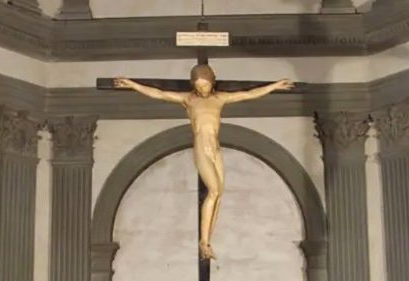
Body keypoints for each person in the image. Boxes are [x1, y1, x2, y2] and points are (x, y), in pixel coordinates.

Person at [114, 65, 294, 259]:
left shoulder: (219, 99)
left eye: (205, 85)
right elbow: (159, 94)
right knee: (214, 191)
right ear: (193, 85)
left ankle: (208, 242)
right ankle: (203, 242)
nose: (202, 89)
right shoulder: (189, 100)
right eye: (198, 86)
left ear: (212, 82)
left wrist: (275, 86)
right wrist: (132, 84)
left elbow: (248, 94)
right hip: (201, 149)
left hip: (215, 149)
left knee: (219, 194)